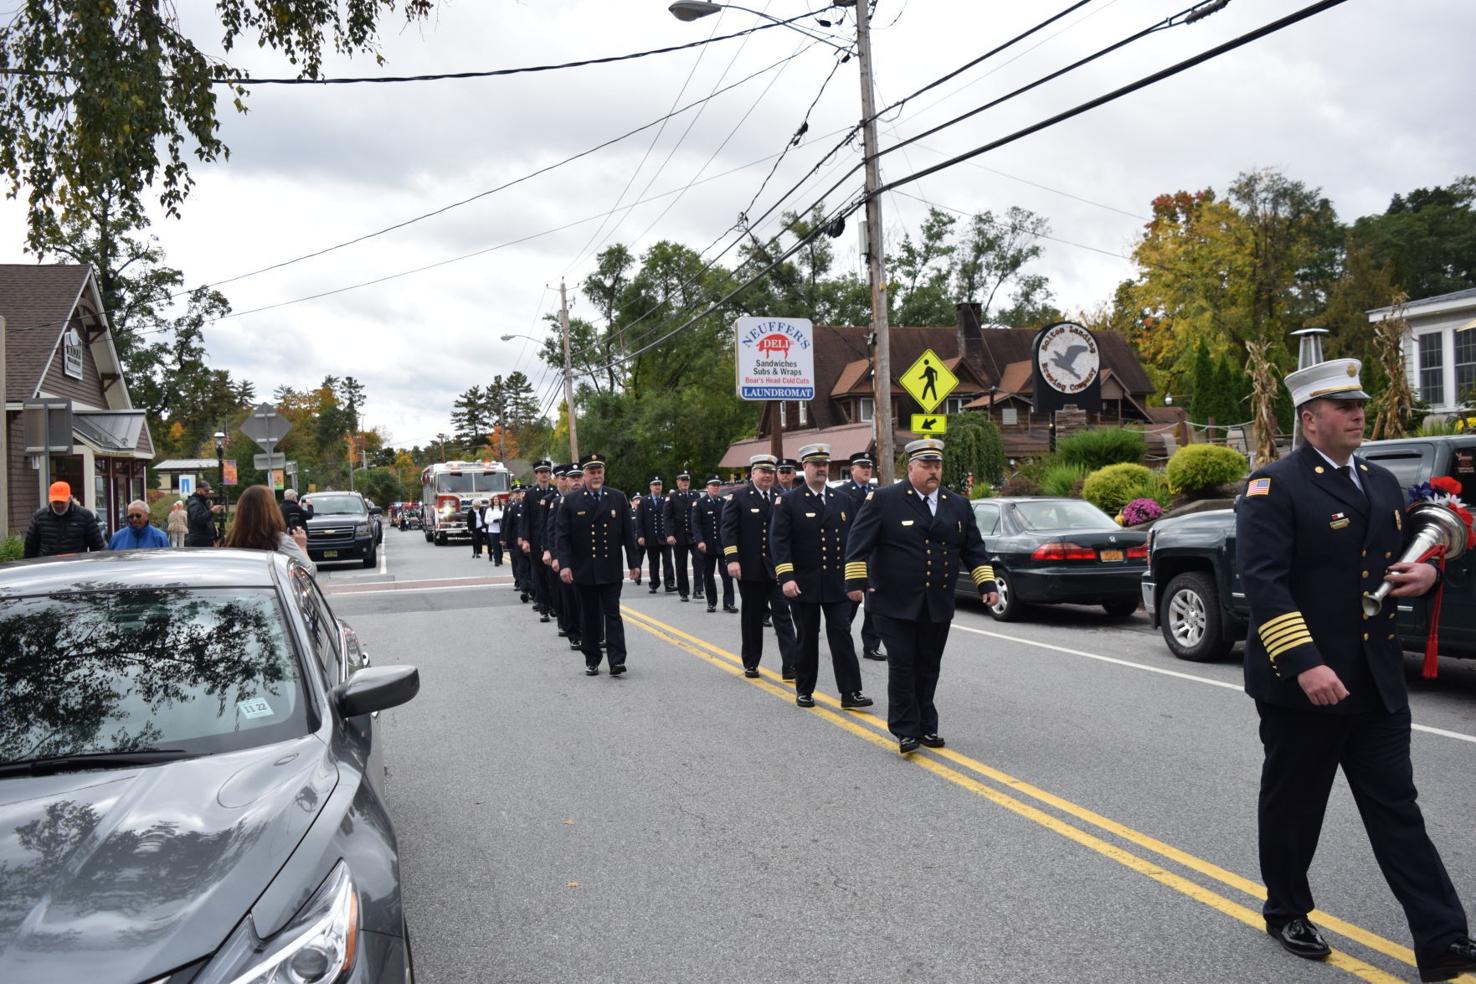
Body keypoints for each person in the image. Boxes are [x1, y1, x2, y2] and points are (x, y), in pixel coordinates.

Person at [1235, 358, 1476, 982]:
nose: (1358, 414)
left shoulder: (1381, 484)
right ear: (1311, 420)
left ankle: (1444, 939)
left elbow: (1396, 569)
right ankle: (1286, 909)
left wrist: (1426, 574)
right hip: (1305, 685)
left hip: (1374, 679)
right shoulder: (1274, 485)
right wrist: (1304, 663)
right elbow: (1264, 585)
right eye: (1343, 407)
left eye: (1360, 404)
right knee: (1295, 806)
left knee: (1398, 809)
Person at [845, 439, 997, 756]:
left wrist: (987, 585)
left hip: (937, 601)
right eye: (926, 466)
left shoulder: (956, 504)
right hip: (893, 601)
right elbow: (858, 543)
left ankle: (927, 724)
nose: (933, 472)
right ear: (911, 468)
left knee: (928, 666)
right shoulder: (885, 500)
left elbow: (973, 550)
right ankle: (905, 729)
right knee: (902, 664)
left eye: (937, 466)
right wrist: (855, 582)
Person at [771, 444, 872, 710]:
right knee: (807, 636)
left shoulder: (843, 500)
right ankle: (804, 690)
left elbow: (854, 543)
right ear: (804, 467)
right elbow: (779, 543)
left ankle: (850, 692)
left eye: (825, 464)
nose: (821, 469)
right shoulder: (790, 501)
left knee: (842, 634)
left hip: (837, 583)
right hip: (803, 583)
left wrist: (857, 580)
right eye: (816, 464)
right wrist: (786, 577)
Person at [556, 453, 641, 676]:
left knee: (612, 614)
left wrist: (634, 563)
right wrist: (565, 565)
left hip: (610, 567)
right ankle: (592, 657)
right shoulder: (571, 501)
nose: (596, 476)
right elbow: (562, 537)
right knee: (590, 616)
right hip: (583, 569)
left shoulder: (617, 497)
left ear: (603, 473)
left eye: (599, 472)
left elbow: (627, 534)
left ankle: (617, 660)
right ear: (584, 475)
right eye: (591, 472)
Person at [720, 454, 799, 680]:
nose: (766, 476)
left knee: (782, 614)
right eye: (762, 471)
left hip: (777, 568)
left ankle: (791, 664)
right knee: (752, 617)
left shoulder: (781, 497)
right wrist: (732, 559)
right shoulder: (738, 498)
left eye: (769, 471)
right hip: (750, 567)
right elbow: (728, 530)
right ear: (752, 473)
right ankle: (751, 662)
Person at [840, 451, 886, 662]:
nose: (867, 470)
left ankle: (871, 645)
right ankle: (841, 639)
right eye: (862, 466)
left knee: (874, 605)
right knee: (849, 604)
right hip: (854, 557)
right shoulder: (843, 493)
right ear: (852, 470)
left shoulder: (879, 492)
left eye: (869, 466)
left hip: (876, 558)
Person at [223, 484, 316, 574]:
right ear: (271, 511)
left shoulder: (229, 542)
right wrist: (302, 546)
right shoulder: (279, 541)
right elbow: (309, 572)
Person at [23, 481, 105, 558]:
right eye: (55, 502)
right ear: (50, 500)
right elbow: (30, 548)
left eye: (62, 502)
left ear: (70, 499)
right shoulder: (39, 517)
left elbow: (97, 547)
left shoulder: (85, 516)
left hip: (76, 567)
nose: (58, 506)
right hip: (47, 567)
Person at [693, 475, 737, 614]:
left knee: (727, 574)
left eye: (718, 485)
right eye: (713, 485)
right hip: (707, 545)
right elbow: (696, 525)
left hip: (723, 544)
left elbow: (730, 524)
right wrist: (700, 541)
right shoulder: (699, 503)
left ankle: (729, 603)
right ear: (707, 487)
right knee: (708, 574)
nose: (716, 487)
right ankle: (711, 602)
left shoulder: (724, 502)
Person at [520, 460, 557, 622]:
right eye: (541, 472)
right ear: (536, 474)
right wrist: (525, 540)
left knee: (553, 576)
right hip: (535, 541)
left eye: (546, 471)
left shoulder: (555, 492)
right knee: (540, 575)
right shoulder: (530, 494)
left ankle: (554, 605)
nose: (544, 474)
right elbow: (525, 519)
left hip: (552, 541)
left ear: (550, 474)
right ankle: (543, 608)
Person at [663, 470, 700, 602]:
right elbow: (667, 518)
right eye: (682, 481)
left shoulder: (695, 495)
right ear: (677, 482)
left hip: (694, 535)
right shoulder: (672, 497)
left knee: (699, 561)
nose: (685, 483)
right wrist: (669, 535)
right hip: (678, 536)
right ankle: (683, 591)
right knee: (681, 564)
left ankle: (698, 589)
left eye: (687, 481)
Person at [637, 476, 675, 593]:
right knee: (653, 562)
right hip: (651, 537)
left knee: (667, 561)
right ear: (650, 487)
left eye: (659, 484)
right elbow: (640, 520)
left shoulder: (666, 500)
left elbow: (671, 518)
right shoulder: (644, 501)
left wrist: (671, 534)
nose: (657, 487)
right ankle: (654, 584)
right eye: (655, 484)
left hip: (664, 536)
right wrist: (640, 535)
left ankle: (669, 584)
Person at [185, 481, 223, 547]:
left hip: (203, 539)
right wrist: (211, 511)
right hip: (199, 540)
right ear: (198, 490)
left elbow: (205, 519)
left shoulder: (201, 502)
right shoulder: (195, 503)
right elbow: (198, 519)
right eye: (206, 491)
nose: (208, 493)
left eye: (208, 491)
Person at [485, 497, 504, 566]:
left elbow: (506, 518)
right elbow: (486, 521)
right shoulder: (489, 510)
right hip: (492, 531)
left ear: (499, 501)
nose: (496, 501)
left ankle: (500, 558)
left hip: (501, 530)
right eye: (495, 500)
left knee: (500, 546)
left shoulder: (503, 508)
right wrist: (493, 521)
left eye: (497, 500)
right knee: (495, 546)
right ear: (492, 501)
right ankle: (496, 561)